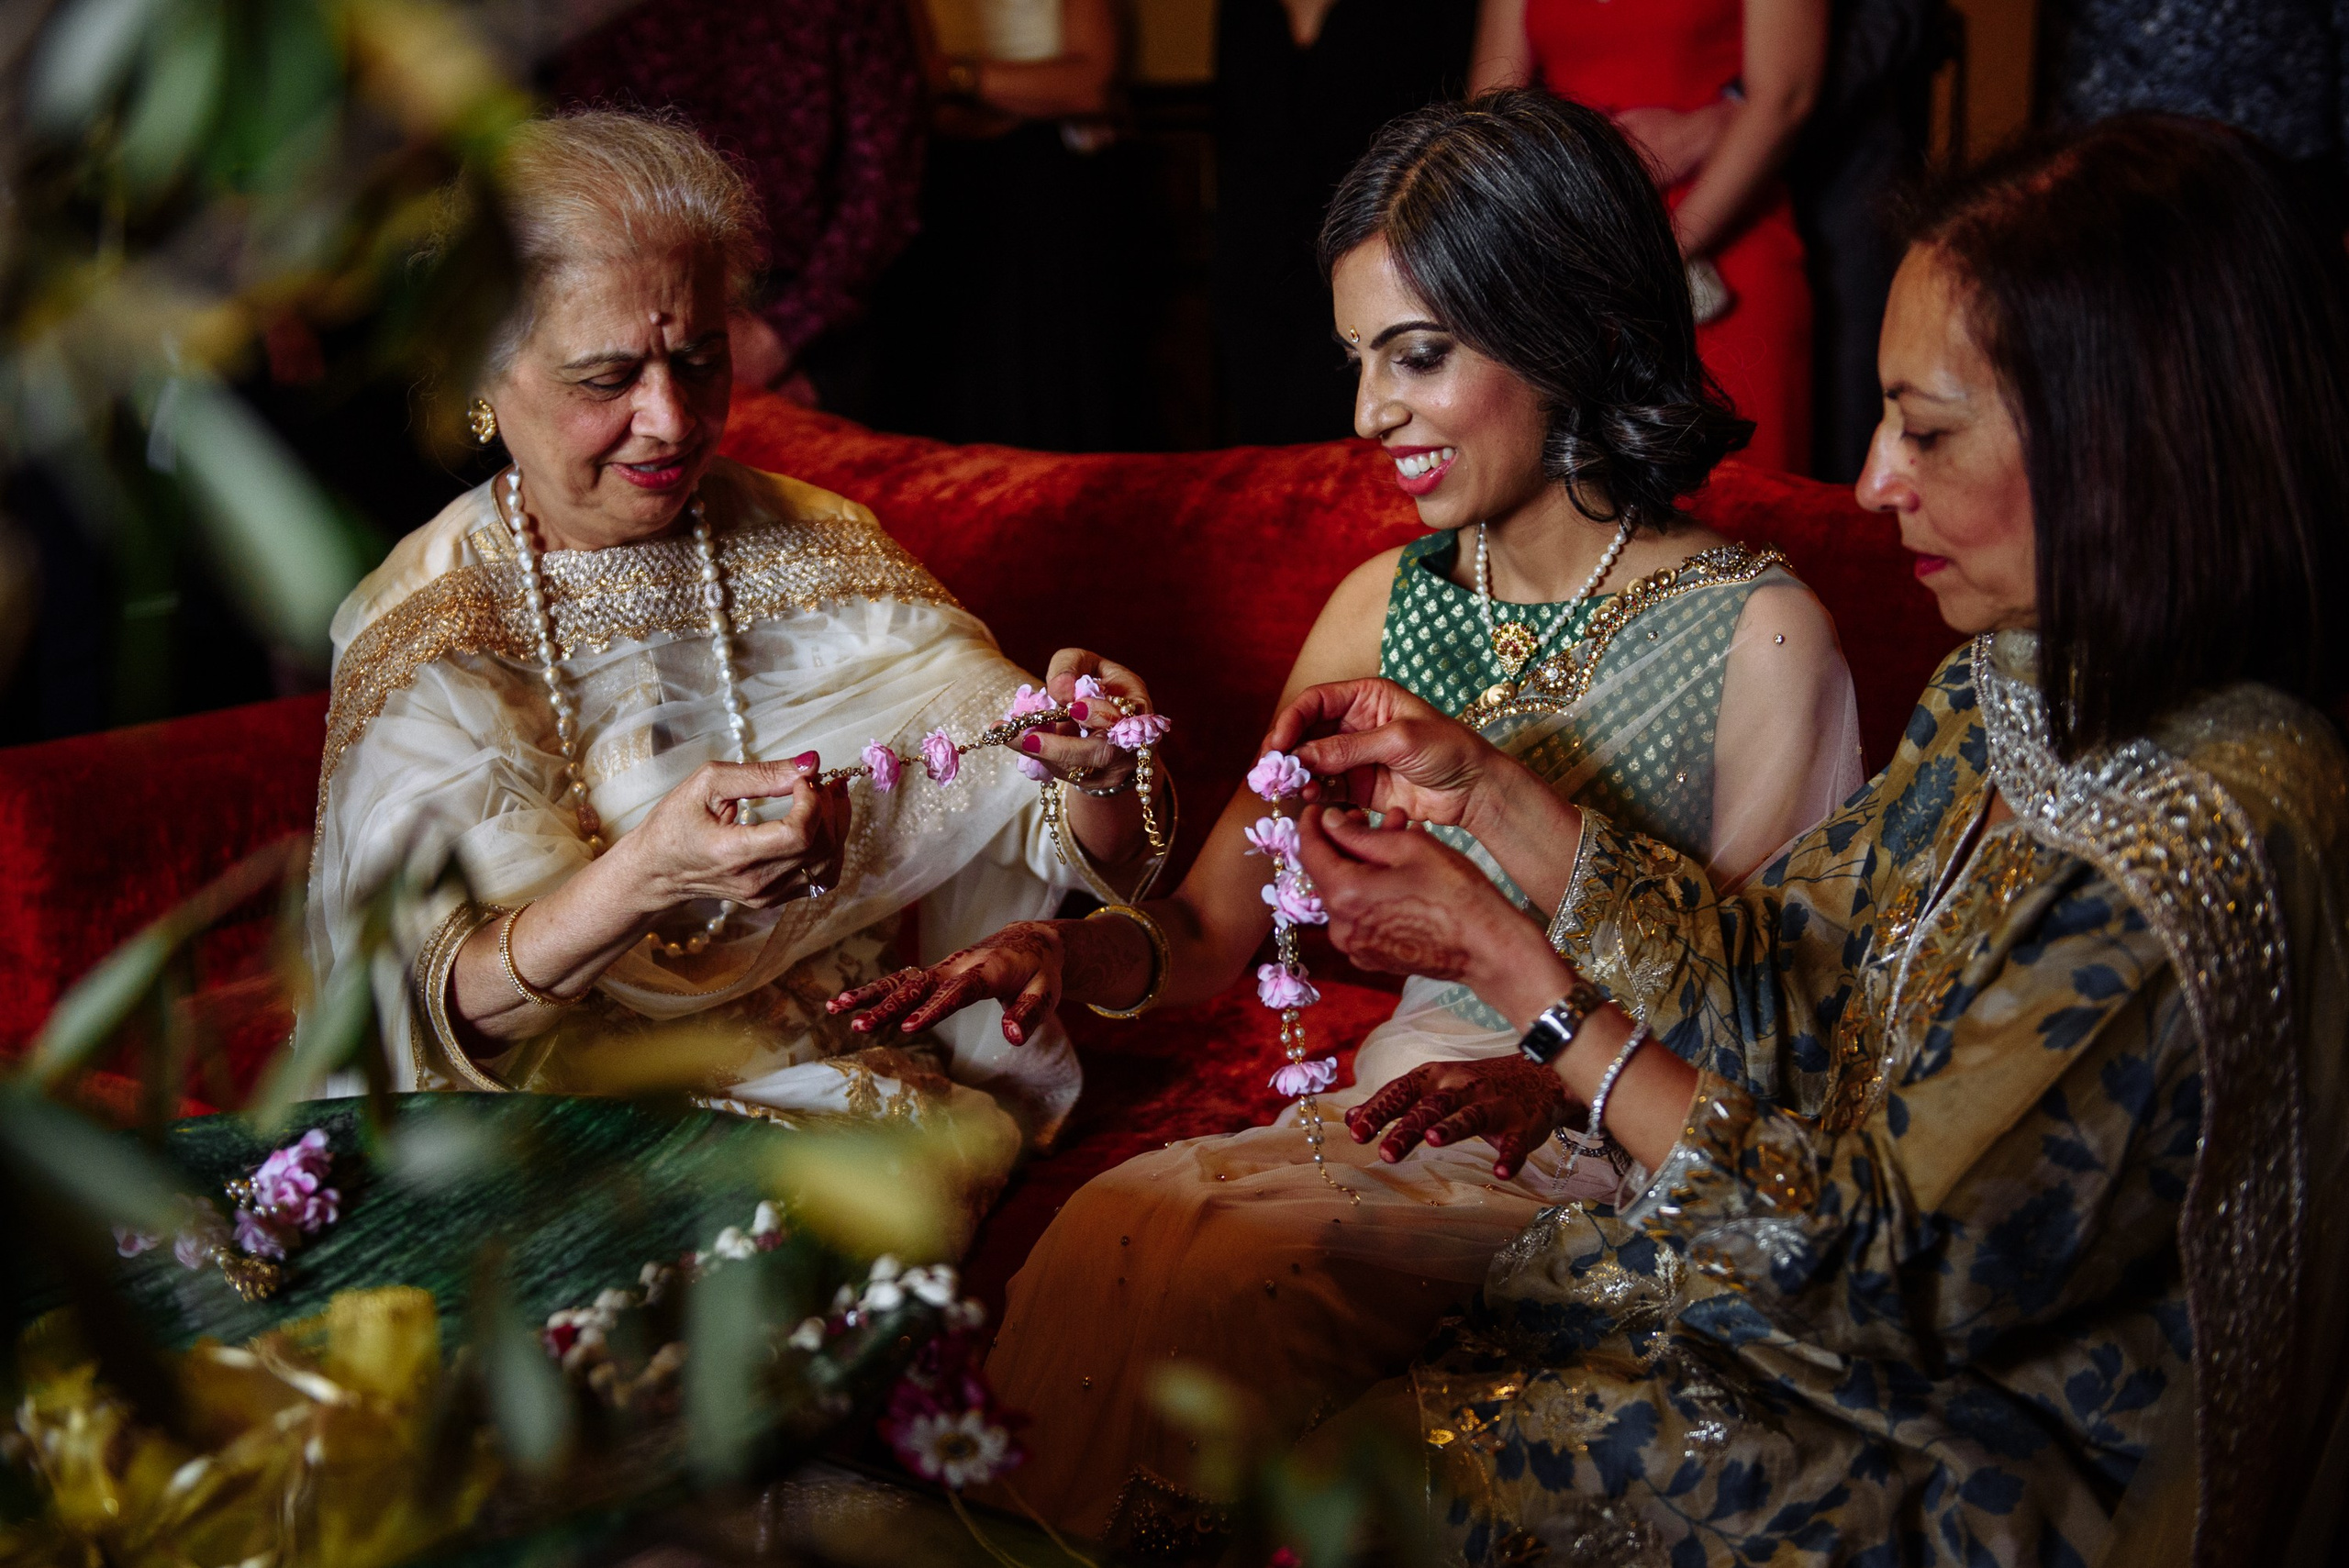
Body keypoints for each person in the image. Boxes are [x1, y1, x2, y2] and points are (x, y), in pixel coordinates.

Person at [1307, 114, 2349, 1563]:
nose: (1871, 482)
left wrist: (1523, 978)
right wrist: (1485, 791)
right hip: (1839, 1313)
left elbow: (1878, 1267)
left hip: (2001, 1435)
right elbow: (1787, 979)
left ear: (2126, 436)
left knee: (1384, 1474)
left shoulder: (2197, 835)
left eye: (1924, 430)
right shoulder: (2014, 686)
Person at [833, 91, 1864, 1540]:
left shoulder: (1763, 635)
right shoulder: (1379, 608)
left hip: (1606, 1146)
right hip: (1395, 1113)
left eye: (1419, 357)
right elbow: (1199, 932)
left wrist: (1538, 1070)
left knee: (1224, 1267)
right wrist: (1064, 955)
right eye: (1360, 361)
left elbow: (1768, 1024)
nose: (1370, 412)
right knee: (1125, 1221)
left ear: (1564, 325)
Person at [304, 112, 1170, 1244]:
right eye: (605, 375)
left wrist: (1101, 764)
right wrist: (643, 879)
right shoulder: (426, 620)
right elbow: (430, 1005)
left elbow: (1086, 861)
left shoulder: (819, 545)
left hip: (850, 1098)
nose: (669, 419)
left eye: (699, 359)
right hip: (560, 1119)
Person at [1473, 0, 1826, 473]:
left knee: (1742, 510)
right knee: (1586, 500)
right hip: (1569, 258)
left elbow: (1786, 98)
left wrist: (1658, 251)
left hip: (1720, 241)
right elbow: (1489, 112)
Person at [551, 1, 927, 417]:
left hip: (816, 311)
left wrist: (781, 333)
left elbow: (883, 190)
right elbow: (576, 155)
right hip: (638, 286)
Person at [866, 0, 1156, 451]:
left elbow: (1090, 85)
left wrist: (955, 78)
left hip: (1050, 194)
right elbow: (900, 89)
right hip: (936, 187)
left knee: (1055, 402)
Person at [1213, 0, 1479, 445]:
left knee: (1370, 442)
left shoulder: (1428, 13)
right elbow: (1234, 141)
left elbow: (1453, 134)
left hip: (1386, 264)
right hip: (1257, 266)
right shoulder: (1244, 11)